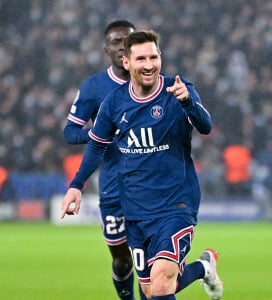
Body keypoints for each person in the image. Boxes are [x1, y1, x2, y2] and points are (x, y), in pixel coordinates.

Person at [62, 29, 223, 300]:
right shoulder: (114, 102)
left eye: (153, 57)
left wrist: (187, 102)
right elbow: (97, 144)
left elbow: (206, 126)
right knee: (150, 291)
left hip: (176, 204)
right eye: (141, 59)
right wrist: (76, 185)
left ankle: (200, 267)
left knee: (161, 285)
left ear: (160, 57)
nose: (148, 65)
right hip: (135, 208)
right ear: (127, 63)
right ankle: (204, 267)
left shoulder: (178, 89)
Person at [63, 20, 145, 300]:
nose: (123, 46)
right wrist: (100, 134)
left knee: (152, 260)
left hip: (150, 183)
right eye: (116, 42)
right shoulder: (95, 86)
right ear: (106, 49)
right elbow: (71, 132)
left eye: (129, 41)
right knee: (123, 259)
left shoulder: (153, 80)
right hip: (113, 184)